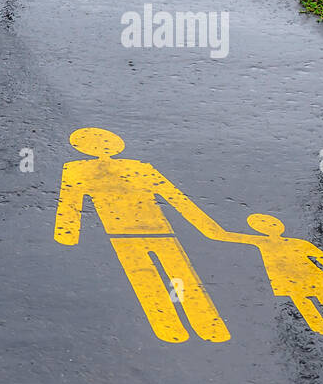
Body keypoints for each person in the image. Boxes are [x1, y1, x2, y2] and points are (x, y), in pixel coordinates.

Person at [54, 127, 230, 343]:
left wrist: (68, 233)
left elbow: (70, 201)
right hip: (144, 231)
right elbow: (175, 197)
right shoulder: (86, 169)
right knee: (172, 277)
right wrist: (208, 228)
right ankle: (197, 325)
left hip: (136, 233)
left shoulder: (84, 168)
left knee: (152, 278)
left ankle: (178, 326)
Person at [220, 213, 323, 336]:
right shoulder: (289, 242)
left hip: (299, 276)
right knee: (312, 300)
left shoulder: (278, 242)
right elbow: (322, 259)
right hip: (305, 276)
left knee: (316, 299)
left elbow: (321, 258)